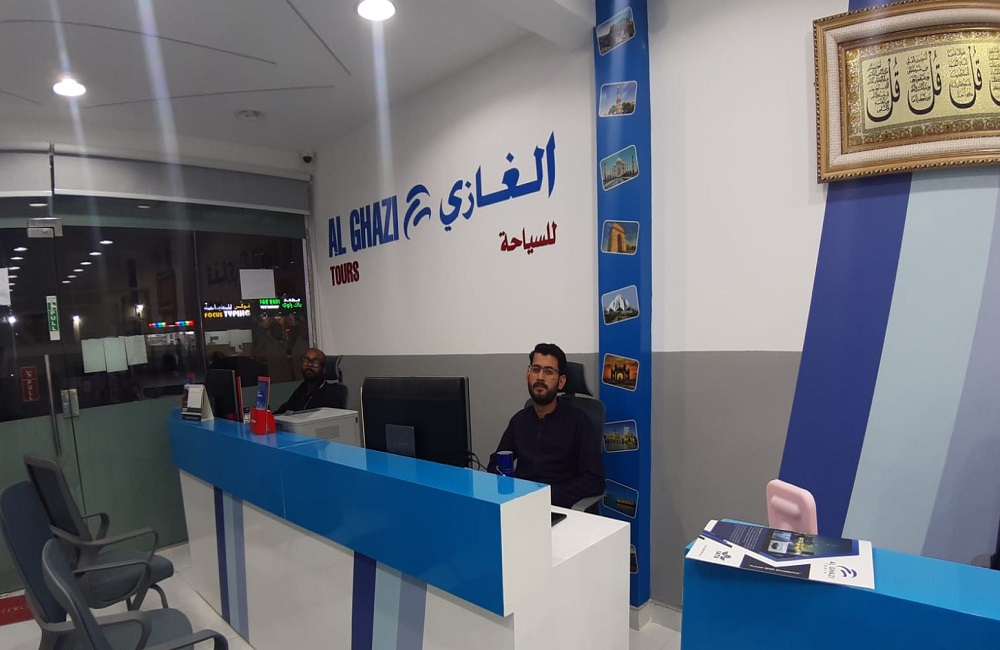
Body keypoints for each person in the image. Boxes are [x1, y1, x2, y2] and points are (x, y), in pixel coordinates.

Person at [487, 343, 604, 508]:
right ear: (527, 376)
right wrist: (510, 489)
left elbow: (594, 480)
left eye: (548, 372)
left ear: (561, 381)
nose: (540, 377)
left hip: (560, 508)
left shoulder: (579, 421)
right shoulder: (519, 421)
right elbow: (497, 463)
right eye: (535, 370)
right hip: (520, 505)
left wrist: (546, 496)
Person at [275, 348, 343, 413]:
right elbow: (283, 411)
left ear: (323, 369)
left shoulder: (332, 394)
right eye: (306, 361)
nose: (309, 365)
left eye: (315, 362)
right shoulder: (302, 389)